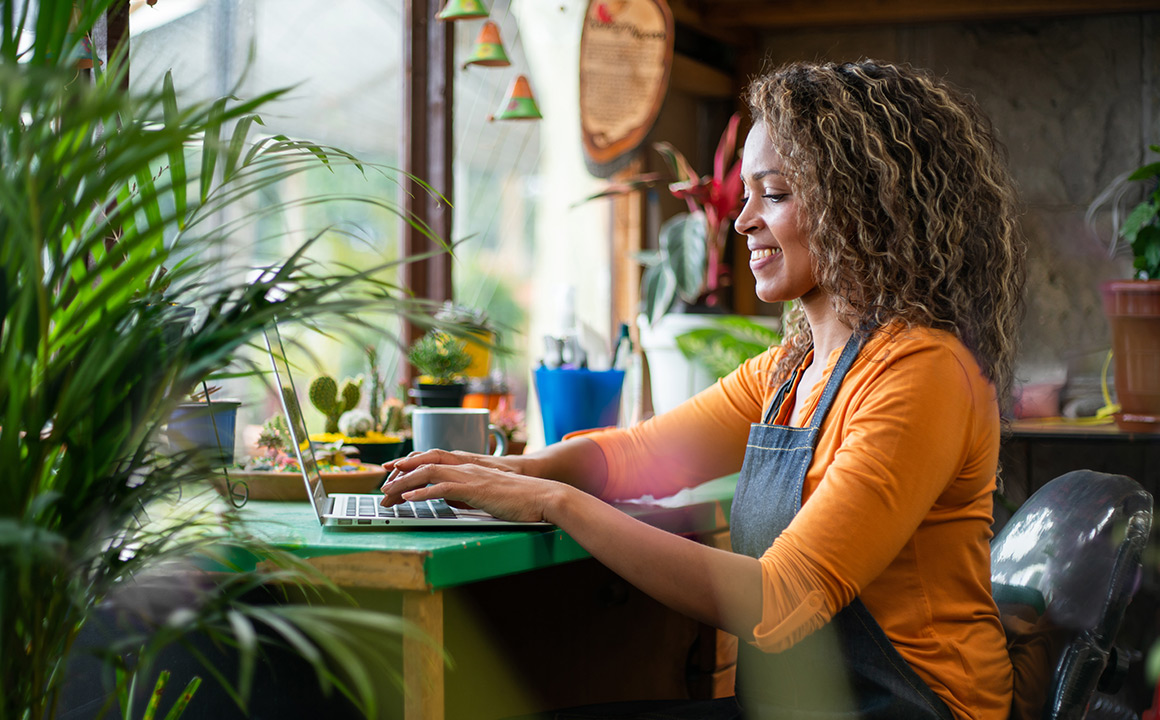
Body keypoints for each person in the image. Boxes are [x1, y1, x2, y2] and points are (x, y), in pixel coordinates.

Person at [382, 59, 1025, 720]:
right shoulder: (793, 370)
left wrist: (554, 502)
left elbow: (779, 599)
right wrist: (494, 472)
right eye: (746, 195)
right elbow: (638, 456)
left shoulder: (922, 371)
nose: (741, 221)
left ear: (862, 204)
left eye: (772, 193)